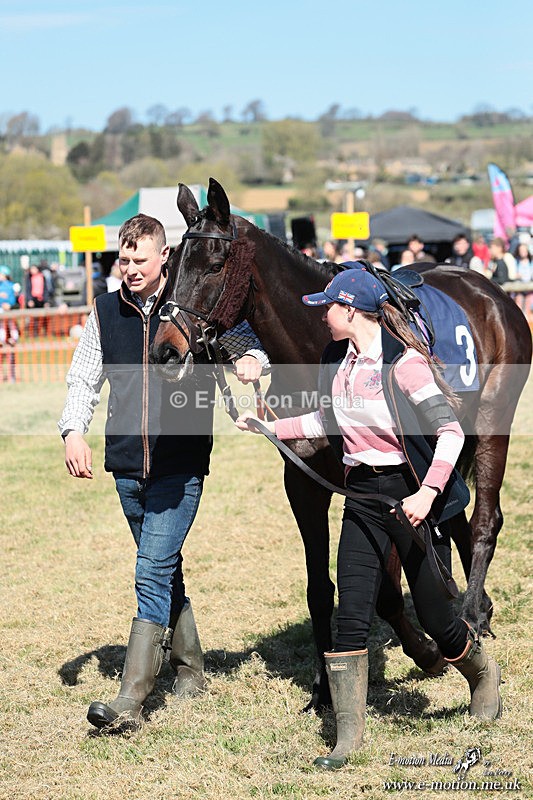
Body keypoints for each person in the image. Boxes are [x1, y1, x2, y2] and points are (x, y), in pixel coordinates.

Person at [236, 267, 502, 770]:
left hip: (407, 498)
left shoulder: (406, 366)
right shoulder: (342, 361)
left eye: (329, 306)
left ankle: (483, 674)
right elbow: (326, 420)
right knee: (351, 616)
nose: (322, 313)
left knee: (437, 619)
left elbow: (450, 433)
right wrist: (268, 426)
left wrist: (427, 493)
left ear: (352, 309)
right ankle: (348, 740)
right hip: (361, 498)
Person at [58, 213, 270, 732]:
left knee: (150, 569)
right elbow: (84, 378)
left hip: (180, 466)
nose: (129, 268)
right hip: (127, 467)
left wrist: (255, 360)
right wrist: (72, 432)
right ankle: (191, 667)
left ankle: (131, 698)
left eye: (138, 259)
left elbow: (250, 342)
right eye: (123, 259)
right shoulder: (104, 312)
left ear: (163, 259)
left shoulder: (194, 308)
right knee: (163, 567)